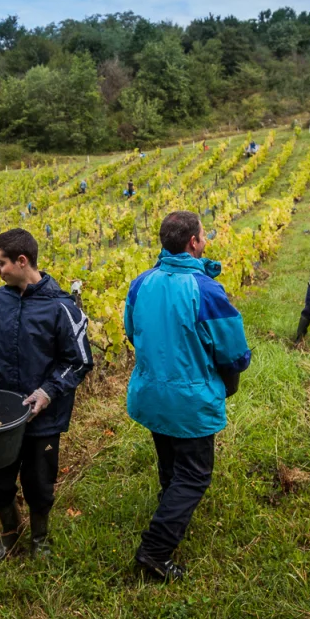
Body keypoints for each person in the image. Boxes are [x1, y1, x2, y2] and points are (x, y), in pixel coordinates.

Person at [124, 211, 251, 581]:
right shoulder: (207, 290)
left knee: (169, 460)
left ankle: (171, 509)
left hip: (149, 393)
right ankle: (155, 550)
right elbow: (234, 352)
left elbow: (132, 332)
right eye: (203, 236)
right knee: (194, 475)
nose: (205, 240)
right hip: (189, 400)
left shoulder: (141, 283)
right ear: (193, 242)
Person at [0, 228, 93, 563]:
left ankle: (40, 538)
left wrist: (48, 392)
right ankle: (10, 531)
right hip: (2, 414)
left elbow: (79, 362)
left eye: (0, 263)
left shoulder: (61, 308)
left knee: (39, 485)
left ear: (22, 261)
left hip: (43, 418)